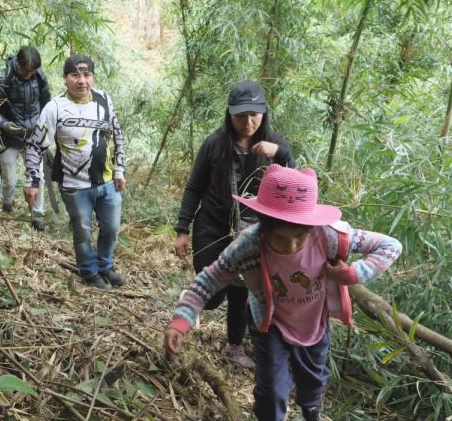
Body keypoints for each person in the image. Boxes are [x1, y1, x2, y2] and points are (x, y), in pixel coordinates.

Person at [164, 164, 403, 421]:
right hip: (270, 324)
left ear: (310, 227)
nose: (290, 246)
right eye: (280, 238)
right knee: (271, 391)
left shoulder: (330, 237)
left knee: (312, 384)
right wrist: (181, 320)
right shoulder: (248, 245)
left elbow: (390, 246)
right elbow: (209, 279)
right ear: (263, 227)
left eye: (299, 238)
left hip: (314, 324)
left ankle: (311, 411)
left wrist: (353, 274)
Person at [173, 80, 296, 369]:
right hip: (213, 227)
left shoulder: (274, 143)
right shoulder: (215, 145)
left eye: (255, 114)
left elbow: (295, 182)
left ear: (264, 113)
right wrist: (182, 229)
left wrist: (279, 154)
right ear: (230, 114)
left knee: (241, 291)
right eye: (241, 115)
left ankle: (234, 346)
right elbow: (194, 187)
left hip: (251, 231)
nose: (248, 121)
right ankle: (192, 301)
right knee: (214, 293)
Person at [24, 54, 127, 290]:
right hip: (74, 186)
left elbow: (116, 135)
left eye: (86, 75)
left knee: (111, 228)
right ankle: (90, 272)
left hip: (107, 181)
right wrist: (32, 179)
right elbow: (35, 145)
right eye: (75, 75)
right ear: (64, 79)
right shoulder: (55, 108)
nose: (82, 81)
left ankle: (105, 266)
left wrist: (120, 169)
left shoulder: (104, 100)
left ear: (92, 77)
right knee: (83, 232)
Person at [0, 45, 51, 230]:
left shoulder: (40, 76)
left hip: (33, 137)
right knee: (10, 178)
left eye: (32, 71)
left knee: (38, 178)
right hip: (8, 137)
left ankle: (38, 215)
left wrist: (45, 128)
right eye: (25, 70)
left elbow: (47, 104)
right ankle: (7, 203)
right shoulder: (2, 77)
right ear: (18, 64)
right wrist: (4, 125)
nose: (28, 74)